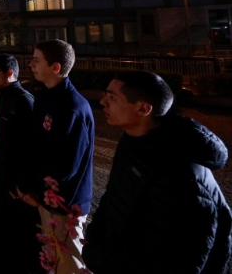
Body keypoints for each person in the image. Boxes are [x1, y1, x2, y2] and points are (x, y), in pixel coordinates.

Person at [83, 71, 232, 274]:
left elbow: (164, 258)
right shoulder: (133, 141)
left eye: (112, 97)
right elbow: (115, 193)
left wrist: (96, 256)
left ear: (143, 109)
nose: (103, 102)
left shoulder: (177, 172)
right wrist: (96, 235)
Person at [17, 39, 94, 274]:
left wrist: (38, 190)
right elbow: (36, 146)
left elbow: (66, 166)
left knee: (68, 261)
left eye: (36, 60)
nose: (31, 65)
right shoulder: (45, 96)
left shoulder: (72, 107)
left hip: (64, 201)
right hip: (44, 196)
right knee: (52, 256)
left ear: (56, 67)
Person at [0, 54, 38, 274]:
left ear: (9, 73)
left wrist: (19, 184)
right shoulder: (5, 97)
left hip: (12, 184)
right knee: (0, 229)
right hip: (0, 175)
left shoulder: (23, 101)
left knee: (12, 232)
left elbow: (28, 147)